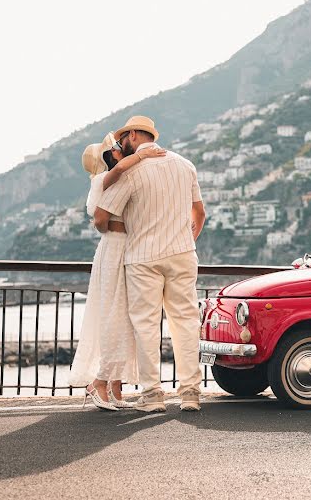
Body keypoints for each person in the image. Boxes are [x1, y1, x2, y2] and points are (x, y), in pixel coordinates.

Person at [94, 116, 206, 412]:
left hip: (143, 256)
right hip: (183, 253)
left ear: (132, 135)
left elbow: (101, 216)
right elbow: (200, 213)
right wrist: (186, 238)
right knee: (185, 322)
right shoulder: (185, 165)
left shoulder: (132, 171)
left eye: (123, 140)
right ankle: (191, 393)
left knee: (146, 325)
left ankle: (153, 395)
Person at [69, 133, 166, 410]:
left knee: (124, 315)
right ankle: (99, 382)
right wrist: (142, 155)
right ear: (107, 157)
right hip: (115, 248)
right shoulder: (104, 179)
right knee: (116, 313)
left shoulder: (116, 181)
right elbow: (101, 221)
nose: (118, 150)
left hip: (125, 246)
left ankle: (115, 386)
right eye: (114, 149)